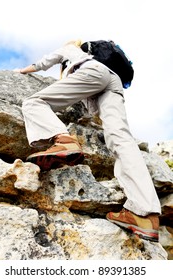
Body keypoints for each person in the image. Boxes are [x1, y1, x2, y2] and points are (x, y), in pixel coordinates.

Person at [14, 40, 161, 242]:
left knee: (34, 102)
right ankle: (146, 215)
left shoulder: (71, 50)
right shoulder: (104, 62)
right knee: (121, 139)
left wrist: (21, 71)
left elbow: (43, 63)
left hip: (93, 73)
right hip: (113, 81)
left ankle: (63, 139)